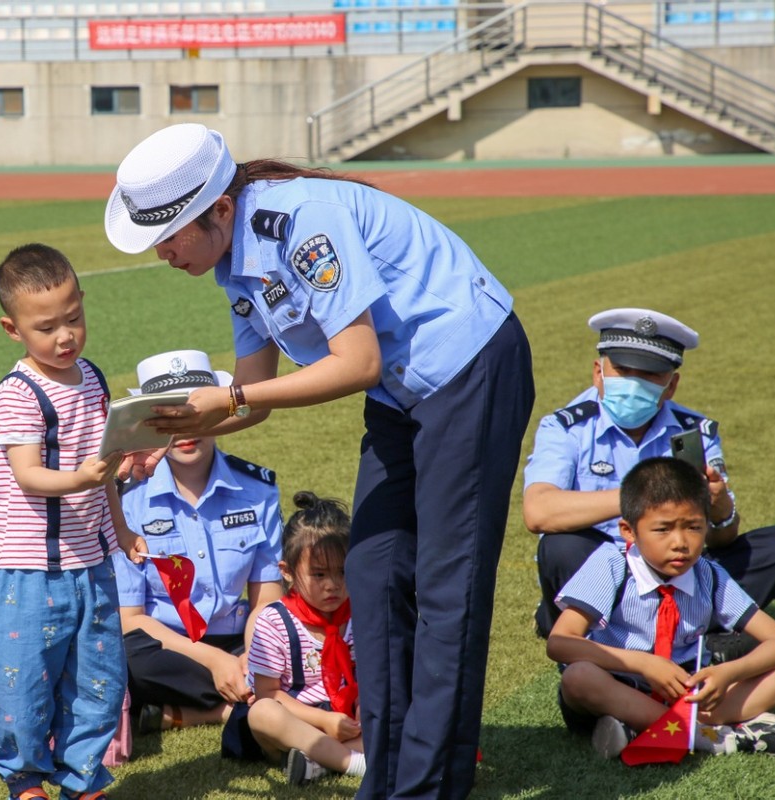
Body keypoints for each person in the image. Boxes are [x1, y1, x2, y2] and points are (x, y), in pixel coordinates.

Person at [105, 123, 535, 799]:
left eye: (169, 233)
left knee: (447, 588)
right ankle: (388, 775)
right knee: (373, 568)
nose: (161, 252)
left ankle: (427, 787)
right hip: (402, 393)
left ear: (220, 209)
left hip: (468, 364)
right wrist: (173, 426)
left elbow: (354, 363)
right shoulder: (232, 259)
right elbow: (253, 398)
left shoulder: (301, 220)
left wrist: (230, 395)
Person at [0, 243, 147, 800]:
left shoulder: (94, 377)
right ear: (13, 329)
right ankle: (26, 780)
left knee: (97, 681)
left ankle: (83, 779)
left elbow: (103, 467)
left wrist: (121, 529)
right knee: (24, 681)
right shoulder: (17, 393)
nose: (65, 336)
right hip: (29, 567)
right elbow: (29, 475)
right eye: (47, 327)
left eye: (74, 318)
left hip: (92, 558)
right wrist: (83, 476)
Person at [524, 308, 775, 641]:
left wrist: (719, 507)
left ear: (671, 385)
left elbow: (721, 539)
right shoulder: (566, 427)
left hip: (676, 564)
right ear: (598, 372)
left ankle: (650, 627)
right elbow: (538, 512)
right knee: (561, 546)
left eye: (650, 375)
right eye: (622, 370)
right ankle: (692, 626)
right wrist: (645, 499)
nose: (634, 384)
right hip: (603, 568)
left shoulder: (695, 433)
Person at [546, 457, 775, 758]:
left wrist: (728, 673)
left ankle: (640, 729)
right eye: (663, 529)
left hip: (685, 692)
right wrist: (643, 664)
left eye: (693, 527)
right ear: (629, 531)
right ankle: (707, 738)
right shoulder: (611, 564)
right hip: (615, 685)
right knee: (578, 677)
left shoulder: (708, 574)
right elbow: (559, 642)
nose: (680, 543)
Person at [113, 349, 284, 734]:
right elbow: (131, 619)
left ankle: (190, 712)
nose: (185, 429)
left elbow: (267, 601)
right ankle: (243, 708)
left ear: (220, 412)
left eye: (194, 412)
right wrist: (214, 663)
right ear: (147, 423)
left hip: (241, 641)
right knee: (120, 658)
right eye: (168, 415)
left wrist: (251, 660)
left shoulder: (257, 489)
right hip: (167, 649)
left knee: (298, 644)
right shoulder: (126, 500)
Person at [245, 492, 365, 787]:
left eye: (342, 572)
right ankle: (354, 762)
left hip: (350, 718)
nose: (333, 585)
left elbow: (372, 676)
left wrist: (362, 711)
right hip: (298, 721)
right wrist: (324, 721)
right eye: (319, 574)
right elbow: (268, 694)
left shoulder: (361, 612)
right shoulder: (274, 620)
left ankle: (319, 763)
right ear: (286, 572)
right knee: (261, 713)